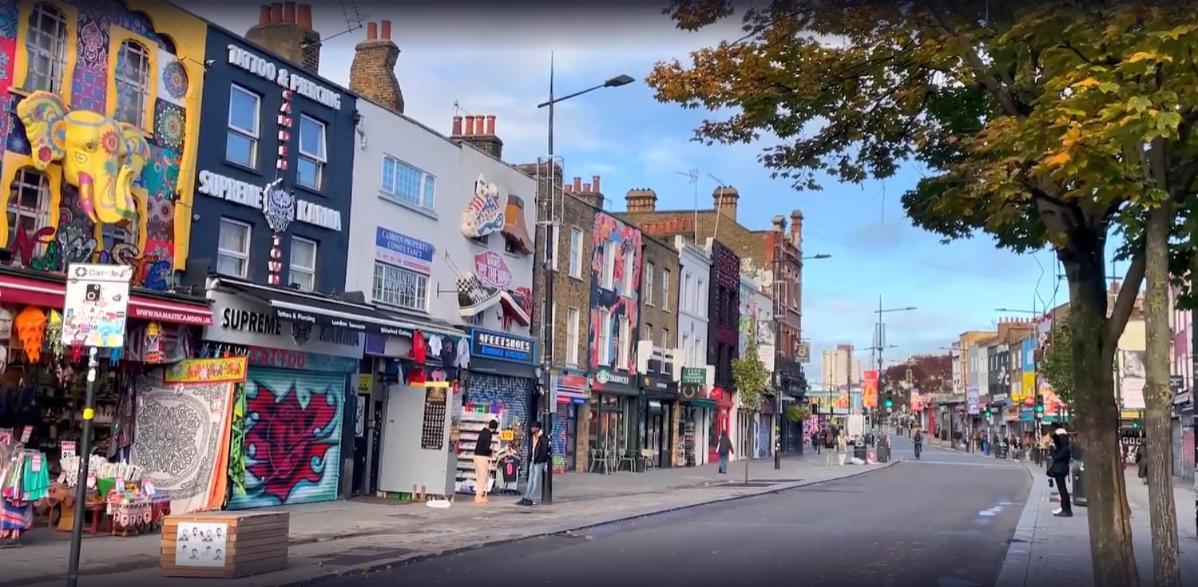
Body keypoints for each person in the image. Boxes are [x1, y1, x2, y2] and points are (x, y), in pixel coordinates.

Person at [518, 421, 549, 506]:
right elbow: (531, 449)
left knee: (535, 481)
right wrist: (530, 458)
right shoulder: (532, 437)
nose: (532, 429)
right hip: (532, 461)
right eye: (531, 427)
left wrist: (538, 460)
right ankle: (526, 497)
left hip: (539, 462)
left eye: (534, 427)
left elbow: (543, 452)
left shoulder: (543, 438)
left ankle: (531, 499)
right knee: (530, 480)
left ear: (538, 428)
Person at [1048, 427, 1073, 517]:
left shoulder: (1065, 448)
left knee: (1062, 490)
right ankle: (1064, 508)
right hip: (1060, 470)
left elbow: (1056, 457)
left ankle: (1066, 509)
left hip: (1061, 470)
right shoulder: (1063, 447)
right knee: (1062, 490)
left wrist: (1052, 450)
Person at [473, 419, 498, 504]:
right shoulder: (488, 434)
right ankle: (479, 496)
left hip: (476, 456)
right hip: (482, 457)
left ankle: (478, 495)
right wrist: (491, 452)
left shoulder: (483, 432)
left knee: (479, 476)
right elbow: (486, 448)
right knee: (483, 477)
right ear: (494, 428)